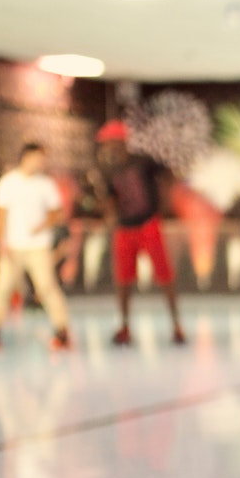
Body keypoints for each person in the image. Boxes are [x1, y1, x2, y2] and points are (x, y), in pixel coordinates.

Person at [96, 121, 185, 347]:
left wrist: (166, 205)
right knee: (123, 280)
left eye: (109, 142)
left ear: (120, 141)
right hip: (124, 228)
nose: (107, 147)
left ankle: (176, 325)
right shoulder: (108, 168)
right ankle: (125, 326)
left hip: (148, 224)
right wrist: (110, 215)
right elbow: (109, 198)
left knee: (164, 277)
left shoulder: (142, 161)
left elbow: (169, 175)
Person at [0, 142, 72, 352]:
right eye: (38, 157)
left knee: (47, 287)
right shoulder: (9, 182)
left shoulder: (46, 184)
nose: (41, 162)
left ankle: (63, 331)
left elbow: (56, 213)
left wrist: (42, 226)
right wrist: (0, 240)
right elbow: (0, 215)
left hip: (38, 247)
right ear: (26, 157)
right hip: (13, 246)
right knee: (3, 287)